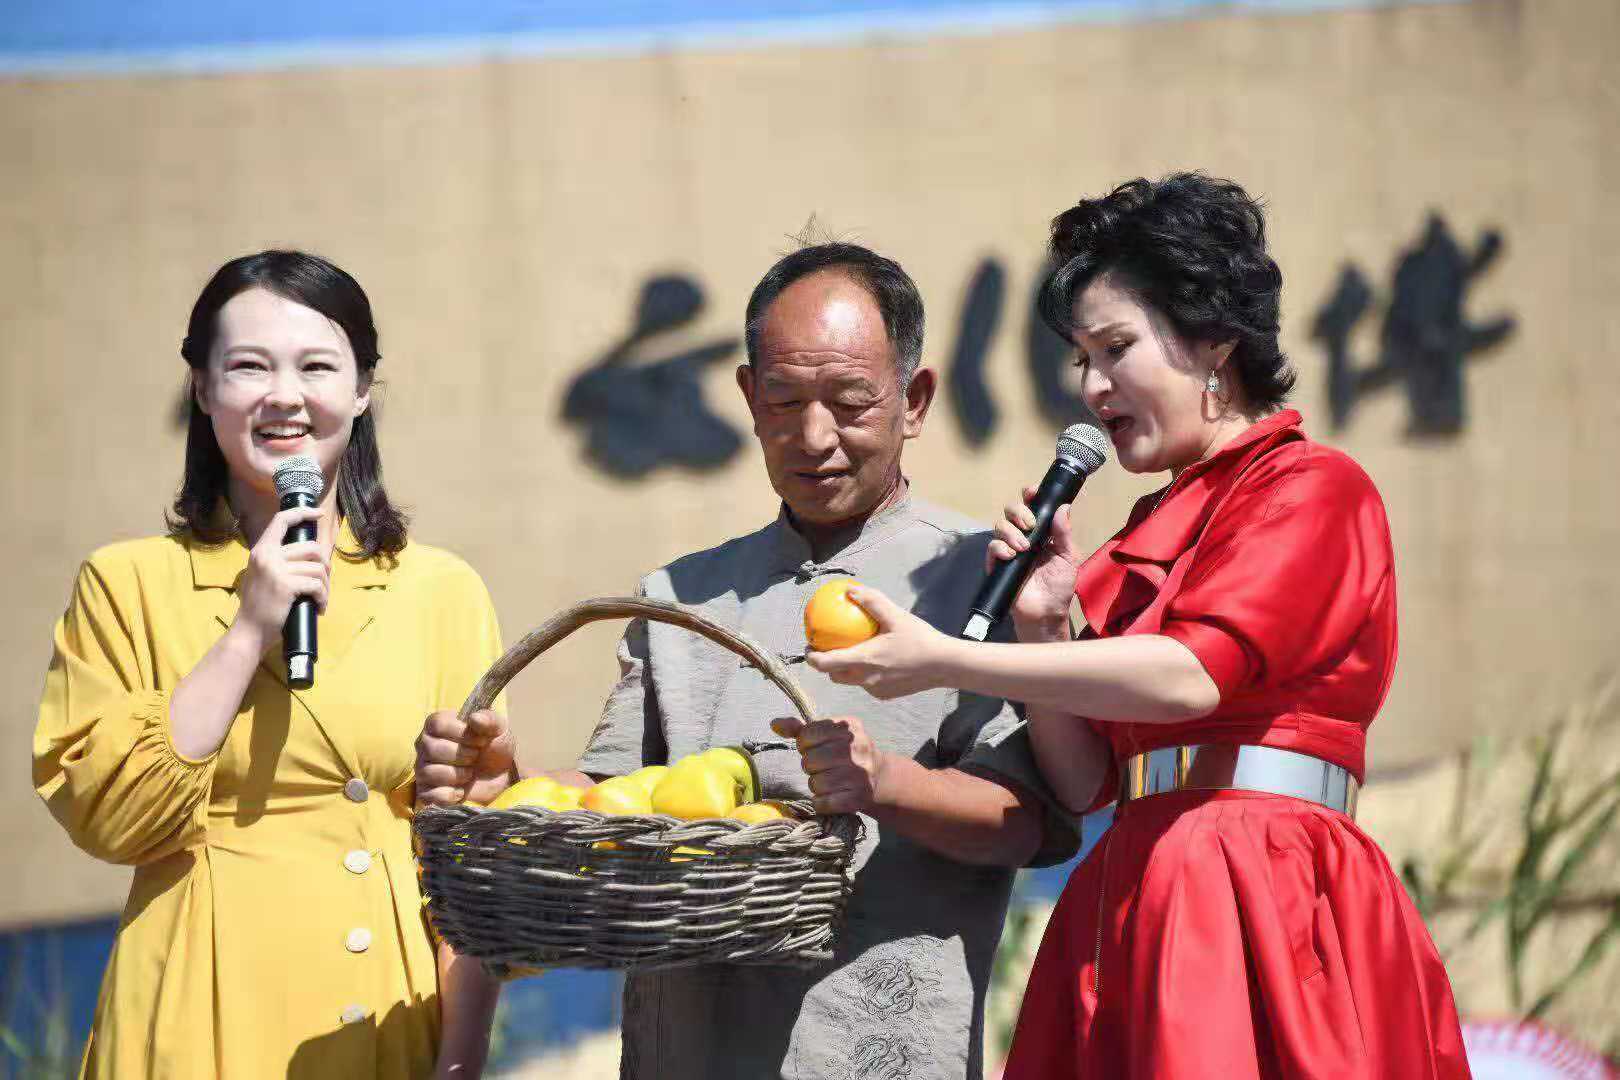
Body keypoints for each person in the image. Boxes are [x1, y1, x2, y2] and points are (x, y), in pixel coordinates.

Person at [804, 176, 1471, 1078]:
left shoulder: (1312, 488)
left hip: (1262, 884)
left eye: (1115, 348)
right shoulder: (1151, 525)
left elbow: (1191, 677)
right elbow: (1087, 781)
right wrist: (1042, 624)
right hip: (1140, 885)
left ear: (1213, 338)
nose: (1092, 387)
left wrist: (948, 659)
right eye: (1081, 358)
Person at [416, 242, 1079, 1079]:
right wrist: (509, 788)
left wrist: (885, 783)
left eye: (850, 402)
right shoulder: (679, 598)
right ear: (747, 398)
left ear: (914, 401)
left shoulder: (986, 582)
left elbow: (1030, 822)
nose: (814, 436)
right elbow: (615, 801)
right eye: (784, 400)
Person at [34, 251, 504, 1079]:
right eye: (249, 366)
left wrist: (461, 1059)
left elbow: (473, 855)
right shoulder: (125, 582)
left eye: (316, 367)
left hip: (384, 1012)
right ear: (202, 387)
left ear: (362, 389)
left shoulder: (442, 590)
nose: (285, 395)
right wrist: (248, 628)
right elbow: (111, 819)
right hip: (199, 1014)